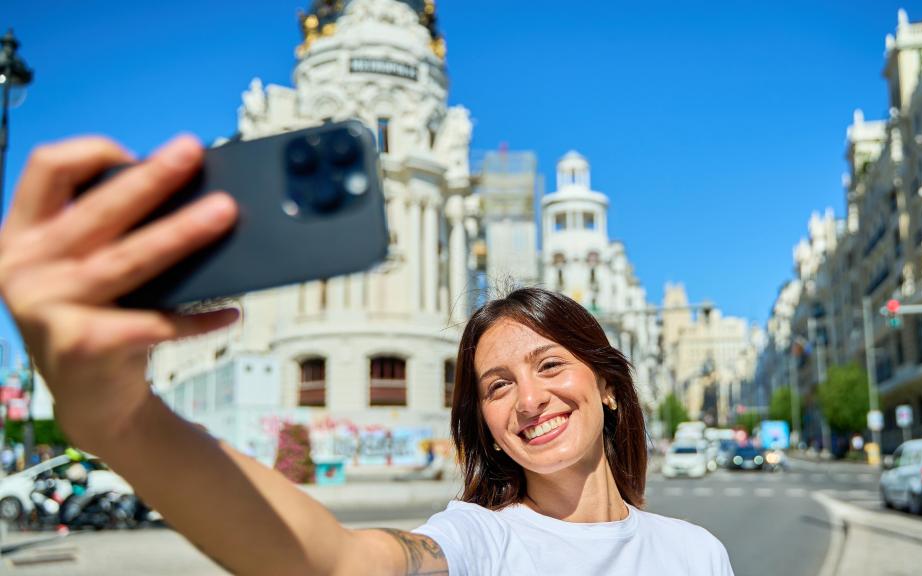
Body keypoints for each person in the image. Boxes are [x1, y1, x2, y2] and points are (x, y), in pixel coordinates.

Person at [0, 135, 733, 575]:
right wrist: (121, 419)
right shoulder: (484, 541)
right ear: (482, 418)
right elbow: (341, 561)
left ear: (608, 387)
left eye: (549, 366)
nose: (529, 400)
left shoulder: (696, 552)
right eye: (497, 385)